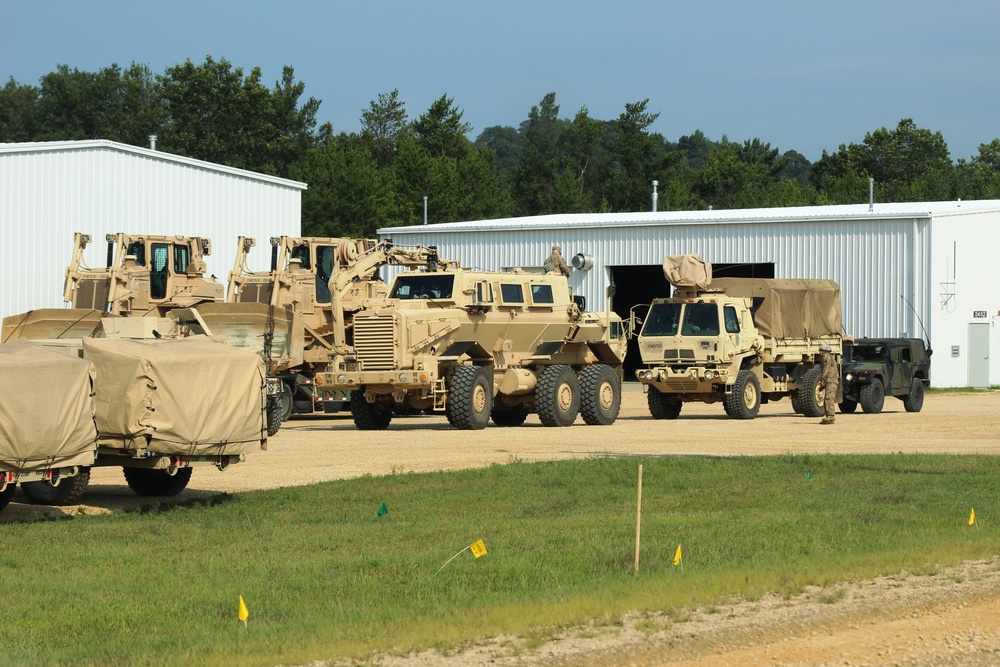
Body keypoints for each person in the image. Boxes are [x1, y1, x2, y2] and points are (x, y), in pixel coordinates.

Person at [818, 343, 839, 425]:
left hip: (831, 380)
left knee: (829, 398)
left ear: (825, 351)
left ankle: (830, 416)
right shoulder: (828, 358)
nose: (820, 353)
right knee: (827, 398)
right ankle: (828, 416)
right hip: (829, 380)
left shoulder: (827, 358)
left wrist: (822, 379)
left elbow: (826, 369)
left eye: (821, 351)